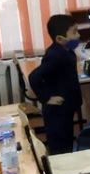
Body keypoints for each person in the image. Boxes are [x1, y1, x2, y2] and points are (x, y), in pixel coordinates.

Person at [29, 15, 82, 154]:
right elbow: (34, 77)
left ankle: (68, 166)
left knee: (67, 141)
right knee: (60, 147)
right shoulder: (55, 55)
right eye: (74, 32)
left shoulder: (66, 50)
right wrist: (46, 98)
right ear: (59, 39)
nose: (78, 35)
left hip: (66, 107)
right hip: (57, 111)